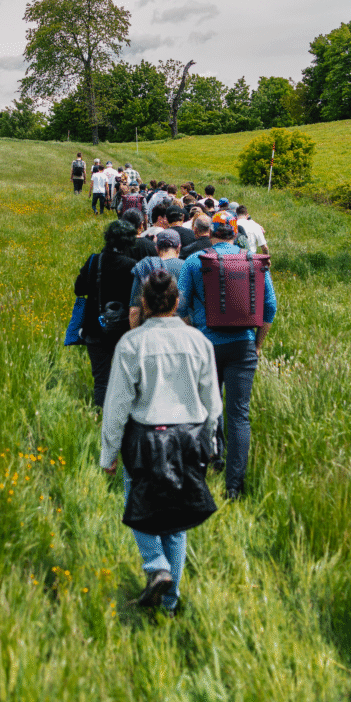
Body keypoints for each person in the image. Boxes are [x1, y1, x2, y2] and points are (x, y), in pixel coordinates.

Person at [100, 270, 222, 613]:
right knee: (177, 523)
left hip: (146, 438)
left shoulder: (132, 344)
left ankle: (156, 566)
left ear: (144, 302)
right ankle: (170, 603)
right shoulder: (199, 342)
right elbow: (212, 402)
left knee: (139, 506)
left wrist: (109, 452)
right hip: (188, 437)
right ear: (177, 301)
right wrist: (211, 445)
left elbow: (117, 405)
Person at [177, 218, 277, 500]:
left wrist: (193, 330)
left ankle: (211, 459)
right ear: (235, 234)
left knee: (207, 407)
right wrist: (257, 344)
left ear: (210, 234)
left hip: (206, 345)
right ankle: (234, 486)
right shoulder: (253, 261)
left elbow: (180, 305)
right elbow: (270, 306)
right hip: (242, 345)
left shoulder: (194, 261)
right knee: (239, 415)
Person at [74, 220, 137, 407]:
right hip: (123, 329)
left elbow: (79, 289)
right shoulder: (132, 265)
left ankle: (101, 414)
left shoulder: (95, 260)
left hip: (95, 326)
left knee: (101, 380)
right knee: (125, 377)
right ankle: (123, 414)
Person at [128, 228, 184, 328]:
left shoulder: (145, 267)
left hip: (150, 330)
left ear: (157, 248)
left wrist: (136, 333)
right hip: (181, 329)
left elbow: (134, 311)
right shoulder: (187, 266)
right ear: (179, 248)